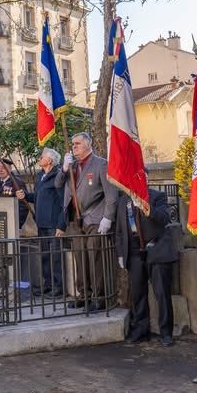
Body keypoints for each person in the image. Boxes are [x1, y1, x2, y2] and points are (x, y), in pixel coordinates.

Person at [55, 132, 118, 311]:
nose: (74, 146)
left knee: (95, 257)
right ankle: (84, 294)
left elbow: (111, 195)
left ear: (88, 144)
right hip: (75, 219)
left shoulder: (101, 164)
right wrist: (64, 169)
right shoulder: (71, 166)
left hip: (95, 218)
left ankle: (100, 297)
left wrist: (108, 217)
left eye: (78, 144)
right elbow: (58, 185)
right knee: (80, 258)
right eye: (73, 144)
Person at [116, 185, 176, 345]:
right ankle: (141, 330)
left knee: (162, 294)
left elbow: (164, 218)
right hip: (134, 252)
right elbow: (120, 231)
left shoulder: (158, 196)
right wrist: (121, 253)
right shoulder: (123, 201)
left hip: (156, 249)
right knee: (138, 294)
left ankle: (166, 332)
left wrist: (145, 207)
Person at [17, 148, 66, 297]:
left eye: (41, 157)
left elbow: (64, 201)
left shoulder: (58, 176)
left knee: (55, 257)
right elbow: (36, 196)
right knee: (45, 256)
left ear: (49, 160)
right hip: (41, 223)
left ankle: (58, 287)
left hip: (54, 224)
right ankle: (48, 284)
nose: (39, 158)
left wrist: (61, 225)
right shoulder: (40, 176)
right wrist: (25, 195)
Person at [0, 157, 27, 228]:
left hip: (10, 222)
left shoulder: (17, 183)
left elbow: (23, 206)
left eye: (3, 168)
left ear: (10, 169)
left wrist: (17, 224)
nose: (0, 170)